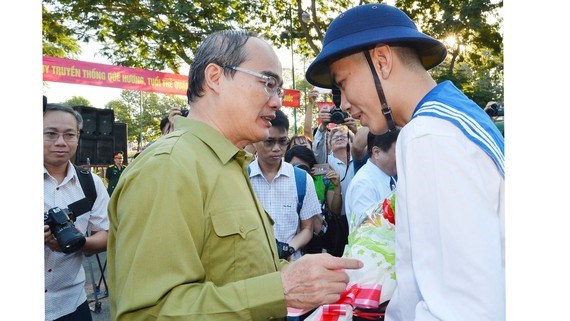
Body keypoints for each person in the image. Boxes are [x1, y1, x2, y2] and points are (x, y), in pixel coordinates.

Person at [106, 30, 362, 321]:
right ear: (215, 77)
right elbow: (149, 313)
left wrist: (298, 274)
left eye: (278, 89)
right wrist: (281, 289)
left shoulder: (230, 163)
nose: (277, 101)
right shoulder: (169, 167)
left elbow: (241, 270)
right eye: (268, 84)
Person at [305, 4, 505, 321]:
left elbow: (466, 308)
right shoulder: (452, 119)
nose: (343, 103)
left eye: (342, 83)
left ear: (382, 61)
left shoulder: (427, 135)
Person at [44, 104, 109, 321]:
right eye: (51, 134)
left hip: (72, 303)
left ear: (78, 136)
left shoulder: (91, 183)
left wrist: (78, 244)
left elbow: (107, 234)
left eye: (69, 134)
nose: (60, 142)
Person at [249, 110, 321, 260]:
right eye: (269, 142)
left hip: (291, 265)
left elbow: (307, 228)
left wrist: (287, 249)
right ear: (255, 141)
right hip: (252, 266)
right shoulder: (242, 177)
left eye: (282, 142)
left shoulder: (301, 179)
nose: (277, 148)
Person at [284, 145, 342, 254]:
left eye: (303, 167)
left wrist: (337, 187)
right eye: (295, 167)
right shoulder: (281, 183)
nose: (299, 172)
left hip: (316, 243)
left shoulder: (319, 178)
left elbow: (335, 211)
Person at [344, 130, 399, 229]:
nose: (402, 157)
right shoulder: (363, 184)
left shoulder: (389, 176)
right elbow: (366, 230)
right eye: (398, 151)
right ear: (376, 152)